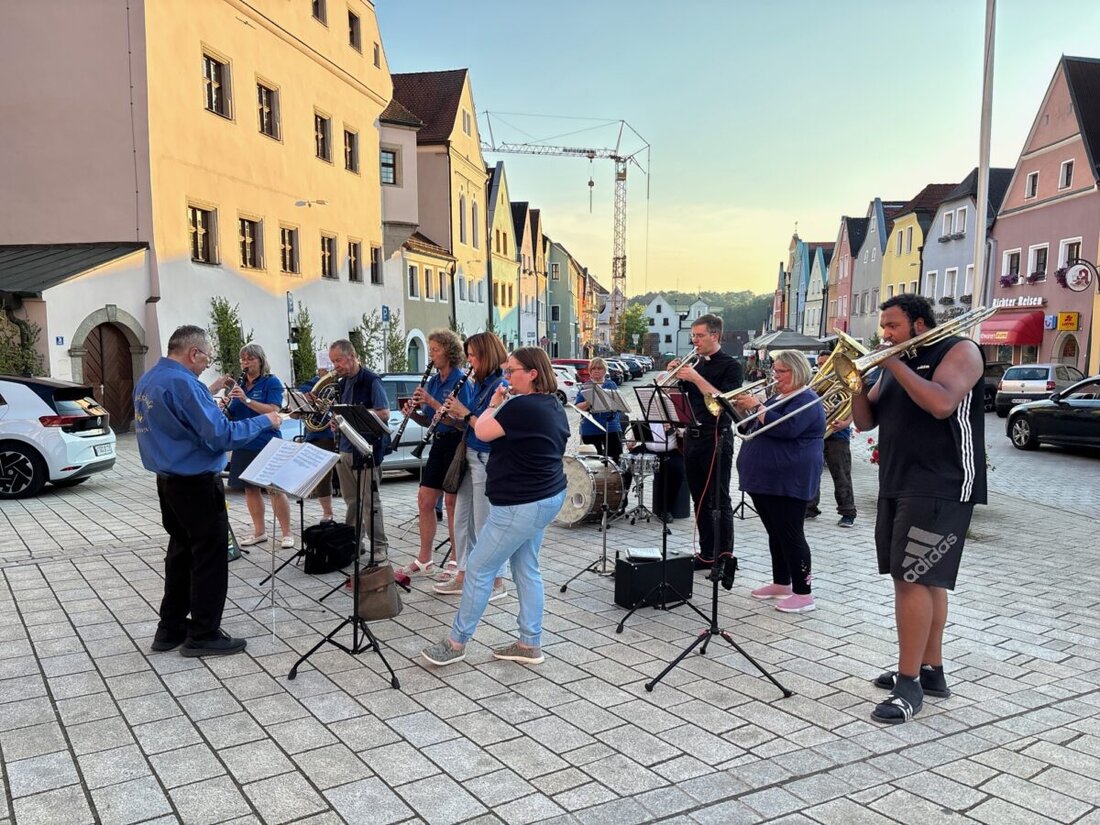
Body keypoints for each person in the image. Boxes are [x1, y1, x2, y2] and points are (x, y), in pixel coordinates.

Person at [850, 294, 986, 725]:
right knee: (925, 579)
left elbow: (941, 403)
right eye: (883, 326)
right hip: (898, 480)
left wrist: (891, 363)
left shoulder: (959, 350)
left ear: (920, 324)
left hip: (941, 482)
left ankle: (908, 684)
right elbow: (865, 421)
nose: (884, 334)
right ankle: (930, 670)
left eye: (892, 325)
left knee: (910, 578)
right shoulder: (899, 363)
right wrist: (855, 382)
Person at [133, 325, 282, 656]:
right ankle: (203, 634)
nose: (206, 366)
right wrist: (267, 420)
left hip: (168, 481)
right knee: (209, 559)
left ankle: (170, 628)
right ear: (193, 353)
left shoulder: (149, 378)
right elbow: (220, 436)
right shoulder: (185, 383)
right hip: (196, 483)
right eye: (207, 358)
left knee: (180, 554)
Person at [421, 347, 569, 667]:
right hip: (546, 497)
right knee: (526, 568)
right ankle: (529, 643)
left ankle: (456, 642)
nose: (507, 377)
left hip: (520, 504)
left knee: (478, 568)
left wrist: (492, 404)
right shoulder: (553, 404)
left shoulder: (520, 405)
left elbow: (483, 431)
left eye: (512, 371)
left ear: (532, 374)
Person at [734, 350, 825, 613]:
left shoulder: (807, 400)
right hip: (766, 479)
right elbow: (755, 427)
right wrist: (741, 411)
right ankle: (782, 582)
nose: (776, 375)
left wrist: (757, 407)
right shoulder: (778, 397)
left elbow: (786, 428)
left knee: (791, 534)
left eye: (782, 371)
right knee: (776, 532)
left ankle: (804, 593)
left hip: (789, 479)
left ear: (797, 371)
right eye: (775, 370)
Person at [433, 332, 508, 599]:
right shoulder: (479, 383)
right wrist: (452, 416)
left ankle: (497, 580)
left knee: (486, 523)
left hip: (486, 458)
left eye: (474, 356)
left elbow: (488, 428)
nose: (470, 361)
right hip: (469, 454)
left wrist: (464, 413)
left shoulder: (500, 386)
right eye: (469, 355)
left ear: (487, 356)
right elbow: (469, 422)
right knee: (461, 519)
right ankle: (463, 574)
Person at [671, 314, 743, 570]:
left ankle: (724, 556)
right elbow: (680, 401)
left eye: (700, 336)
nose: (695, 340)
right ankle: (706, 553)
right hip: (692, 438)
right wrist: (674, 377)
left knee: (719, 499)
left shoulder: (731, 366)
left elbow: (726, 401)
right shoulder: (696, 365)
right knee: (699, 498)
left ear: (715, 335)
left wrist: (694, 378)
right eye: (693, 336)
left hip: (717, 438)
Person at [398, 330, 472, 577]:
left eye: (435, 350)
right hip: (438, 443)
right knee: (425, 499)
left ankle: (455, 559)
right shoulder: (433, 381)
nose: (431, 355)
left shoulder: (461, 380)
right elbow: (431, 420)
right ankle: (425, 558)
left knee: (452, 503)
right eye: (430, 350)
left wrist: (430, 401)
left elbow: (462, 421)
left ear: (449, 352)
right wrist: (413, 414)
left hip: (456, 444)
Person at [225, 343, 294, 549]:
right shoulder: (240, 384)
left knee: (274, 489)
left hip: (267, 441)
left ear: (261, 361)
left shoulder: (271, 382)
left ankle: (286, 533)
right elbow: (233, 413)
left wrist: (245, 399)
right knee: (250, 489)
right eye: (243, 359)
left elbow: (273, 410)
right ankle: (259, 531)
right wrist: (225, 405)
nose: (246, 363)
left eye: (250, 359)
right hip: (244, 442)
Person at [329, 339, 391, 559]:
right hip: (345, 449)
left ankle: (379, 546)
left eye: (338, 360)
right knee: (352, 502)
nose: (335, 366)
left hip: (365, 450)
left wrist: (358, 415)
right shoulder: (341, 383)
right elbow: (341, 414)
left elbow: (384, 413)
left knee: (370, 502)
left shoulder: (371, 380)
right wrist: (336, 421)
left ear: (352, 356)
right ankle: (354, 543)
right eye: (333, 361)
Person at [806, 350, 857, 527]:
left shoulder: (847, 381)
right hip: (815, 434)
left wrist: (846, 422)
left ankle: (848, 512)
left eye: (827, 364)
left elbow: (855, 404)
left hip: (838, 434)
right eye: (821, 364)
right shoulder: (814, 382)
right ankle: (810, 507)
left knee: (841, 474)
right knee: (812, 472)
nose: (823, 368)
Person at [297, 358, 336, 523]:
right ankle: (327, 512)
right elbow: (296, 412)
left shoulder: (343, 383)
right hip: (320, 434)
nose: (327, 371)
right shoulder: (310, 385)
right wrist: (306, 398)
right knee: (322, 475)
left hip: (341, 432)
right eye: (323, 368)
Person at [573, 357, 624, 463]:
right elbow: (577, 407)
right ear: (590, 371)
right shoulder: (586, 386)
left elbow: (619, 405)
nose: (596, 371)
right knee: (593, 463)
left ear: (605, 371)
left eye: (599, 368)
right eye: (593, 368)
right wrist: (589, 401)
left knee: (615, 460)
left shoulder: (611, 385)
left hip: (611, 428)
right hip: (590, 429)